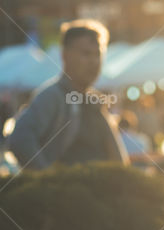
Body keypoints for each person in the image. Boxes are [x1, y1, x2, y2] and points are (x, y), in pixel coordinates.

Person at [7, 19, 127, 170]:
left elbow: (118, 159)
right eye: (86, 54)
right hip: (66, 191)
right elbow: (19, 139)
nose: (94, 61)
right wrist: (47, 179)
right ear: (65, 55)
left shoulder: (95, 102)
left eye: (98, 54)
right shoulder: (52, 96)